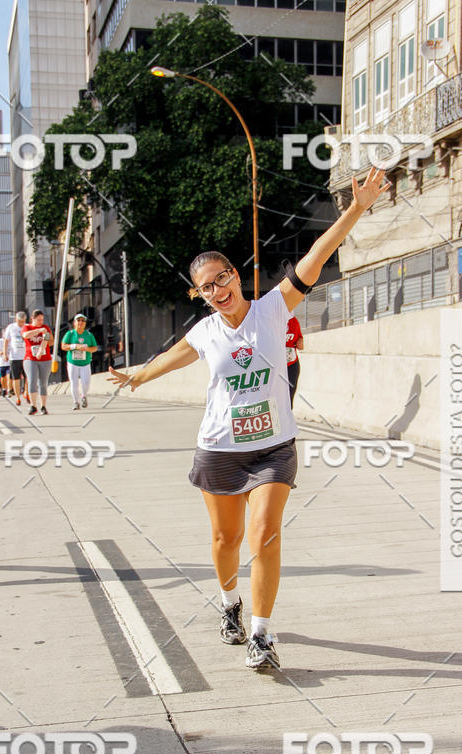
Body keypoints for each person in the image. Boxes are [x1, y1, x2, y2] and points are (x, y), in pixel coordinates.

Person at [108, 168, 388, 670]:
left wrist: (357, 207)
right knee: (225, 541)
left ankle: (261, 633)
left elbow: (316, 256)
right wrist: (138, 377)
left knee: (264, 536)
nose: (216, 290)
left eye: (221, 278)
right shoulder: (204, 332)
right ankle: (229, 602)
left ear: (236, 275)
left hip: (274, 447)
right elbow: (172, 356)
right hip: (220, 449)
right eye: (205, 287)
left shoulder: (273, 309)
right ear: (199, 295)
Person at [61, 314, 98, 410]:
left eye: (83, 321)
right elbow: (63, 346)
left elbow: (94, 348)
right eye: (78, 320)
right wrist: (75, 346)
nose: (80, 322)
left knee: (86, 383)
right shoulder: (70, 334)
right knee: (74, 383)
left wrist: (87, 349)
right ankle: (75, 402)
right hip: (73, 362)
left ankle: (83, 396)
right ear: (74, 323)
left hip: (85, 363)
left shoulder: (89, 335)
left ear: (85, 324)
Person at [22, 309, 53, 415]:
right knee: (32, 381)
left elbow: (47, 339)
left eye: (42, 320)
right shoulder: (27, 327)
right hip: (30, 358)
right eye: (38, 320)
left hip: (45, 359)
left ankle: (43, 406)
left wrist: (40, 350)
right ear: (33, 319)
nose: (41, 322)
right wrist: (39, 331)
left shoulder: (46, 328)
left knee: (43, 383)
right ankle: (33, 405)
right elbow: (25, 335)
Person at [3, 311, 28, 405]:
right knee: (15, 378)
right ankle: (18, 397)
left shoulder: (27, 326)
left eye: (23, 321)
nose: (21, 323)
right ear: (16, 319)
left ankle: (26, 392)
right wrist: (5, 353)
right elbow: (6, 341)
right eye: (19, 321)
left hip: (26, 356)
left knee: (28, 377)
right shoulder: (11, 327)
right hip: (14, 356)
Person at [285, 314, 304, 406]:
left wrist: (300, 342)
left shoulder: (293, 321)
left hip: (292, 365)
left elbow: (300, 340)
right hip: (275, 366)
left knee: (289, 395)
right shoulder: (271, 320)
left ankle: (287, 417)